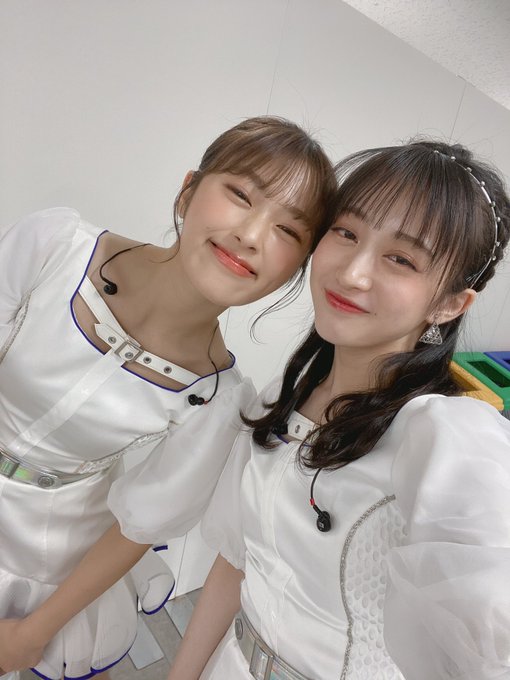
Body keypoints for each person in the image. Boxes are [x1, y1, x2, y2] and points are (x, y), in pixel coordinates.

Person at [0, 116, 338, 680]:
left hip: (47, 560)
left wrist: (32, 634)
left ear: (294, 271)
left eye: (287, 230)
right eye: (241, 195)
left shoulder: (217, 399)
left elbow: (139, 526)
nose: (252, 235)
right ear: (189, 190)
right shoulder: (52, 248)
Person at [168, 139, 510, 680]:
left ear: (450, 303)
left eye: (401, 259)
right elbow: (236, 562)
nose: (352, 273)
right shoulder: (282, 396)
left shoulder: (445, 438)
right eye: (346, 233)